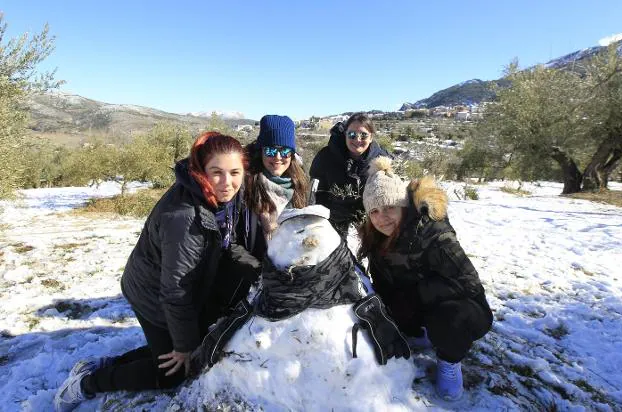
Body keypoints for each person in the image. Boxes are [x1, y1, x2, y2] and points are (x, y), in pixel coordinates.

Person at [54, 132, 261, 411]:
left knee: (187, 347)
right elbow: (175, 290)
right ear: (202, 171)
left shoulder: (219, 198)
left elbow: (227, 243)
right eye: (217, 172)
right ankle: (87, 383)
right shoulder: (184, 217)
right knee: (173, 371)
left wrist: (259, 270)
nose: (227, 182)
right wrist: (184, 346)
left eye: (235, 172)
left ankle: (102, 365)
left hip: (171, 287)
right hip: (152, 294)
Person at [357, 157, 493, 401]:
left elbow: (468, 283)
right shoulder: (376, 238)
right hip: (416, 305)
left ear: (403, 206)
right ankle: (421, 333)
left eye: (389, 207)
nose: (382, 217)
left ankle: (449, 361)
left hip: (463, 308)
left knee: (451, 317)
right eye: (374, 211)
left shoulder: (433, 233)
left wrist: (416, 296)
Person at [310, 112, 391, 237]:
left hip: (371, 228)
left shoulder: (382, 161)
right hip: (332, 227)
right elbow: (316, 193)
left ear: (371, 137)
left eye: (363, 135)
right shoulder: (326, 157)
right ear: (345, 135)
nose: (357, 140)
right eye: (352, 135)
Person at [244, 114, 308, 254]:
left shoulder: (301, 185)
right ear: (261, 152)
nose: (278, 157)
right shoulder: (246, 186)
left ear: (292, 155)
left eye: (285, 151)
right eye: (270, 150)